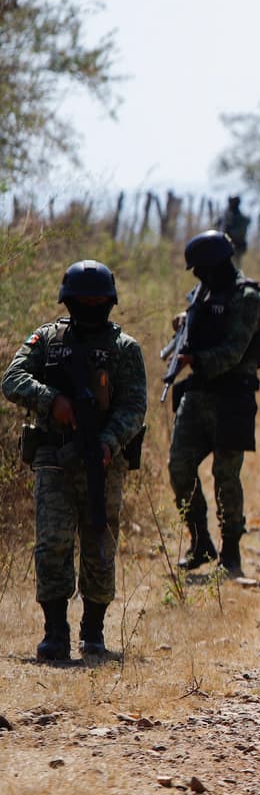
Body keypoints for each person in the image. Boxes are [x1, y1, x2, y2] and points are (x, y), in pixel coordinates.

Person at [2, 260, 147, 660]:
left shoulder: (124, 348)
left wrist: (108, 441)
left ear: (110, 301)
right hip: (53, 457)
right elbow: (12, 379)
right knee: (52, 543)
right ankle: (55, 632)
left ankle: (94, 632)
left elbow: (135, 407)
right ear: (68, 299)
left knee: (100, 541)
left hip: (103, 460)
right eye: (82, 298)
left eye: (97, 298)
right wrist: (53, 402)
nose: (90, 303)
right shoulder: (46, 339)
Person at [168, 231, 260, 579]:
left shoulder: (248, 298)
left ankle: (231, 553)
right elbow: (202, 320)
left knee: (226, 477)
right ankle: (200, 542)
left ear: (215, 266)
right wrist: (185, 323)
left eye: (199, 269)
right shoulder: (202, 293)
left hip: (233, 398)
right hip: (197, 396)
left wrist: (194, 357)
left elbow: (233, 352)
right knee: (179, 468)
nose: (196, 275)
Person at [217, 196, 250, 267]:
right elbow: (217, 224)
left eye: (233, 202)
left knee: (235, 267)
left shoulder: (241, 218)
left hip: (237, 246)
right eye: (231, 202)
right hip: (223, 245)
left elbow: (241, 233)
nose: (231, 204)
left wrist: (229, 231)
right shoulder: (225, 215)